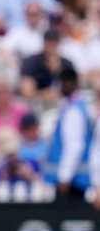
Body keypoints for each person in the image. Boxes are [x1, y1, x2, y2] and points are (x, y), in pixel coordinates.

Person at [43, 68, 94, 203]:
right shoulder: (75, 107)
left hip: (72, 183)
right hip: (73, 181)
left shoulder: (74, 111)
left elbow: (74, 146)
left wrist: (64, 177)